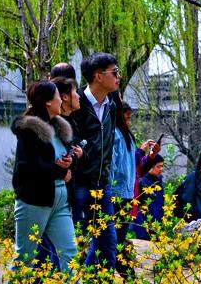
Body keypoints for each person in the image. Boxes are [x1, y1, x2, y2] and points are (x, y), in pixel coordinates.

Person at [11, 80, 79, 270]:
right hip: (34, 202)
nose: (61, 100)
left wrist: (70, 163)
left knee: (70, 254)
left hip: (60, 203)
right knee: (25, 259)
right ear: (49, 102)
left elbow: (61, 161)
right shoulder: (30, 130)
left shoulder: (59, 128)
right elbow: (29, 167)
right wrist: (60, 171)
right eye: (58, 95)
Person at [73, 52, 121, 267]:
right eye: (114, 72)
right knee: (71, 244)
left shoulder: (112, 103)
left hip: (102, 185)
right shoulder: (77, 104)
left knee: (108, 244)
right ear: (98, 76)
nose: (118, 77)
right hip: (78, 184)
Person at [112, 102, 138, 273]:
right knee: (114, 243)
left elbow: (133, 164)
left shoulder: (126, 135)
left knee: (117, 242)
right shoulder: (115, 135)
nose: (129, 120)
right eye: (126, 116)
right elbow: (113, 166)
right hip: (116, 193)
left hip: (126, 193)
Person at [135, 155, 165, 239]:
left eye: (162, 166)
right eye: (158, 167)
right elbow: (138, 210)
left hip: (157, 226)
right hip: (144, 228)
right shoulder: (141, 182)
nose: (161, 169)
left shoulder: (159, 181)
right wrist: (141, 232)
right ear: (150, 167)